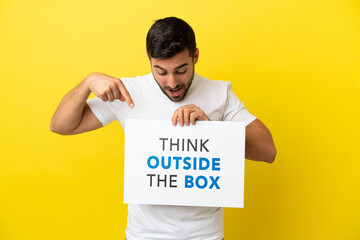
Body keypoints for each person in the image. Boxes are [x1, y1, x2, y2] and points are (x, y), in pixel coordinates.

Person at [51, 16, 276, 240]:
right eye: (161, 71)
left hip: (206, 236)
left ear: (195, 56)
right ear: (149, 59)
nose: (172, 83)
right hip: (143, 235)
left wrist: (212, 131)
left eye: (181, 70)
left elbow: (268, 152)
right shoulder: (127, 92)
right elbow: (61, 125)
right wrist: (87, 83)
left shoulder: (220, 93)